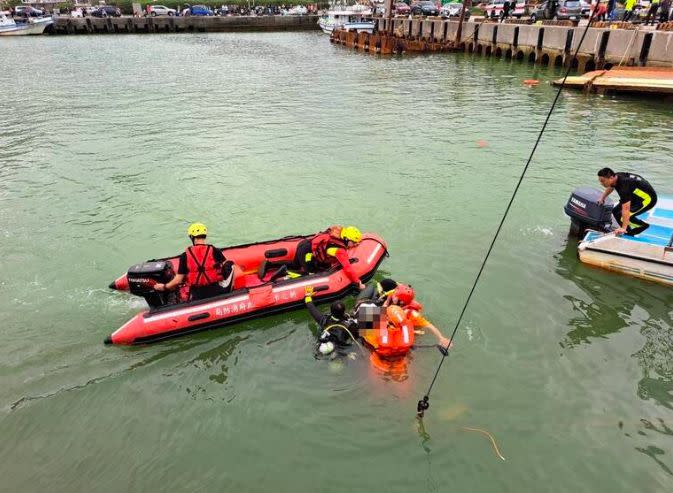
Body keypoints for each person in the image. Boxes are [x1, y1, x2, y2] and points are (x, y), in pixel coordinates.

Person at [154, 223, 234, 300]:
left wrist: (164, 286)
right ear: (205, 236)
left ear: (192, 237)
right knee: (231, 265)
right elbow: (227, 266)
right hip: (216, 292)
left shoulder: (185, 256)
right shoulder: (214, 250)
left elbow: (178, 280)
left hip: (197, 296)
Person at [291, 225, 366, 290]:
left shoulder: (337, 233)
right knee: (309, 275)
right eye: (354, 243)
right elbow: (348, 268)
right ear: (347, 239)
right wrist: (358, 283)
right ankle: (285, 273)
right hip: (306, 253)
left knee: (295, 265)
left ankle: (283, 266)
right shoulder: (340, 250)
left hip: (304, 244)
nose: (355, 245)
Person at [597, 168, 658, 236]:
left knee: (623, 217)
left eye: (603, 181)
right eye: (600, 181)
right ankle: (629, 232)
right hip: (634, 196)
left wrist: (623, 228)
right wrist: (602, 198)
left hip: (647, 199)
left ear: (611, 177)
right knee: (615, 211)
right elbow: (611, 187)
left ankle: (642, 226)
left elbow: (626, 208)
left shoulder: (624, 187)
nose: (601, 183)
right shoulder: (616, 177)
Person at [304, 286, 358, 357]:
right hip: (343, 348)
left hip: (328, 345)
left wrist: (307, 296)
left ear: (331, 311)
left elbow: (311, 307)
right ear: (344, 311)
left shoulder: (323, 319)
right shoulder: (349, 326)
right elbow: (361, 334)